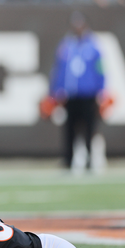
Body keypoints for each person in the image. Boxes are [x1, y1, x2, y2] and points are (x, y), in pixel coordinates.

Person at [48, 11, 106, 171]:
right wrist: (55, 91)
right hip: (70, 95)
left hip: (88, 94)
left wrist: (102, 91)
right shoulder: (66, 46)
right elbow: (59, 70)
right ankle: (68, 159)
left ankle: (89, 159)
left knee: (89, 128)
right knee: (69, 129)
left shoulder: (94, 46)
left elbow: (100, 70)